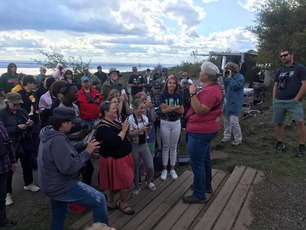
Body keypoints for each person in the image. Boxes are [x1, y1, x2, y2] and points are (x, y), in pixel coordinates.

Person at [37, 106, 109, 230]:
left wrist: (83, 144)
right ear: (63, 122)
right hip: (60, 186)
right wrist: (87, 152)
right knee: (99, 199)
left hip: (50, 184)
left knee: (58, 216)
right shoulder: (57, 139)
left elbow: (66, 150)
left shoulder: (49, 132)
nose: (73, 125)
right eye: (71, 122)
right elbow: (69, 167)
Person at [182, 61, 223, 204]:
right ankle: (206, 185)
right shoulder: (212, 88)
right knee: (204, 159)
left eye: (200, 71)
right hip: (205, 129)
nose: (199, 73)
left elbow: (200, 110)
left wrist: (192, 93)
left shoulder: (210, 92)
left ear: (205, 75)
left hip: (200, 132)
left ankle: (199, 194)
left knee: (197, 163)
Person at [0, 92, 40, 207]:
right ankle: (7, 193)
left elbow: (28, 121)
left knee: (27, 164)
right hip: (11, 144)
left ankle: (29, 183)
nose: (17, 106)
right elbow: (3, 131)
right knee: (10, 169)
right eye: (15, 104)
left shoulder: (22, 111)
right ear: (8, 103)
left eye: (19, 104)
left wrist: (30, 124)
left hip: (25, 141)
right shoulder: (2, 114)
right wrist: (16, 128)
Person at [95, 101, 135, 215]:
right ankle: (122, 204)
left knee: (114, 181)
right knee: (124, 181)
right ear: (106, 112)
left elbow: (122, 136)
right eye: (113, 108)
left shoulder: (113, 122)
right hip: (114, 160)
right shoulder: (102, 127)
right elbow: (115, 141)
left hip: (121, 158)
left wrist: (125, 129)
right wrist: (123, 130)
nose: (116, 110)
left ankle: (111, 203)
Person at [273, 48, 306, 157]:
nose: (283, 57)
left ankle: (302, 146)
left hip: (293, 101)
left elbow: (304, 84)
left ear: (291, 55)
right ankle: (279, 143)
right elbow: (276, 85)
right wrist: (274, 99)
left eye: (285, 55)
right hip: (279, 100)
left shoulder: (300, 68)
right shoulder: (280, 70)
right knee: (279, 123)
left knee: (300, 122)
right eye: (281, 56)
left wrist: (296, 98)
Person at [128, 99, 156, 196]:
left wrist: (148, 129)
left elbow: (146, 133)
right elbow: (130, 135)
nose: (143, 110)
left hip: (143, 144)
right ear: (135, 108)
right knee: (136, 168)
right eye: (141, 108)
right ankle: (136, 187)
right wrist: (141, 130)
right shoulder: (130, 119)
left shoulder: (145, 118)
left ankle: (148, 182)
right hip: (134, 145)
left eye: (144, 108)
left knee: (150, 166)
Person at [159, 76, 183, 181]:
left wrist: (170, 108)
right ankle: (164, 169)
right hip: (165, 122)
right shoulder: (162, 95)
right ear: (167, 84)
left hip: (176, 122)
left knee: (173, 146)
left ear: (176, 85)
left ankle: (172, 169)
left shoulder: (179, 95)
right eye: (170, 83)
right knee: (165, 146)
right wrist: (176, 107)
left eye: (174, 83)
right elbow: (163, 111)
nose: (172, 85)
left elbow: (182, 111)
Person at [18, 75, 41, 169]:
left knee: (36, 142)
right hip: (26, 121)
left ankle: (34, 161)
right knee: (27, 143)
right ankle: (28, 163)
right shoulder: (20, 94)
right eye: (33, 83)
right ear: (28, 83)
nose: (35, 85)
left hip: (35, 120)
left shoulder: (34, 93)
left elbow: (36, 105)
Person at [221, 62, 244, 147]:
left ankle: (238, 139)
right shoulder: (228, 77)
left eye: (228, 70)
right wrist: (224, 77)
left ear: (232, 70)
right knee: (226, 120)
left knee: (234, 121)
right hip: (227, 102)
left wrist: (230, 78)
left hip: (235, 102)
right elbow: (224, 85)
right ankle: (227, 136)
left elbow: (236, 86)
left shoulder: (240, 77)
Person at [0, 121, 17, 227]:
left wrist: (13, 161)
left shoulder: (1, 124)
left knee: (1, 195)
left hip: (3, 166)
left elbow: (8, 143)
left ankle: (2, 219)